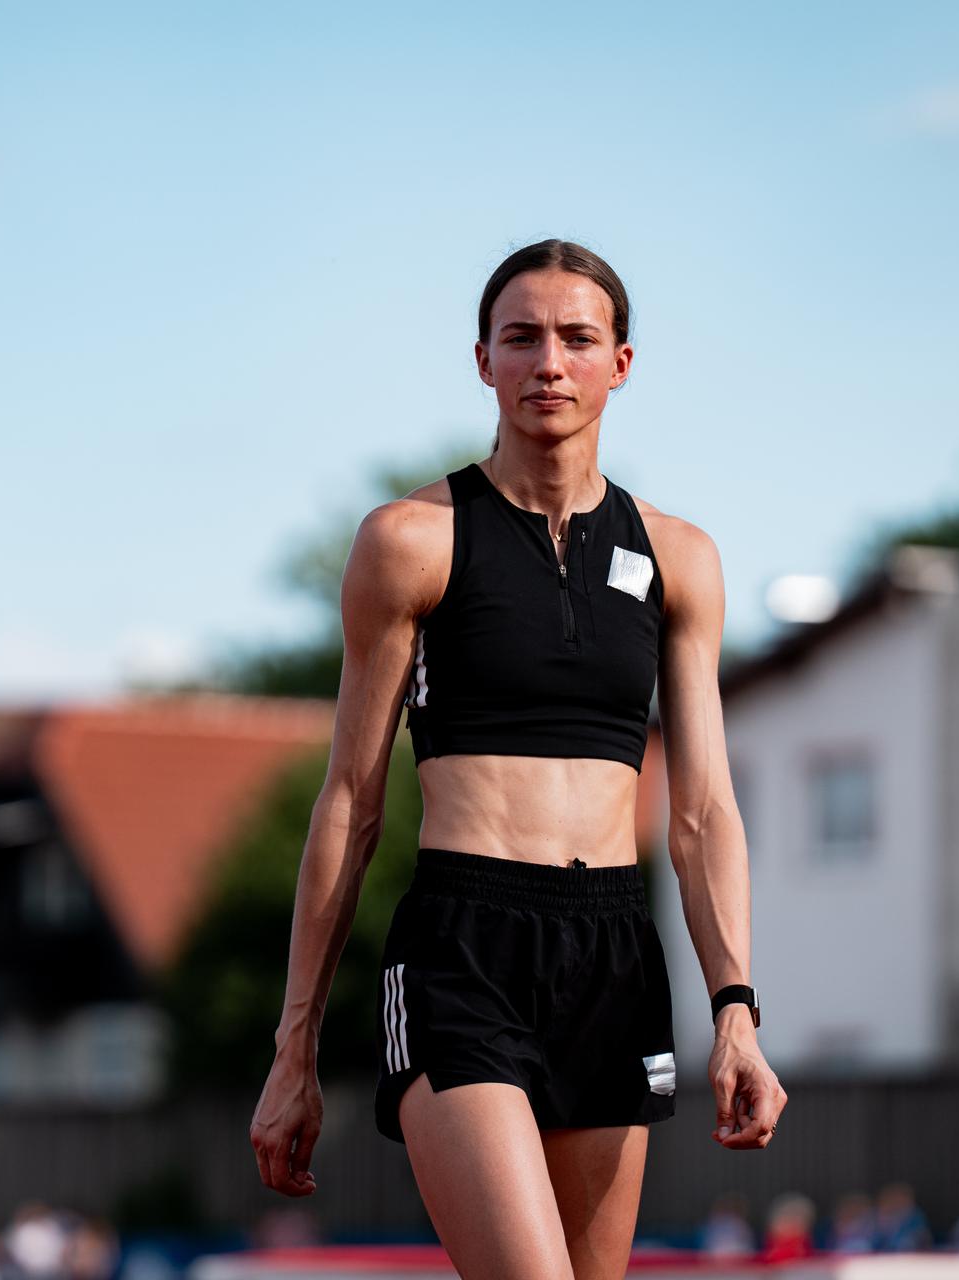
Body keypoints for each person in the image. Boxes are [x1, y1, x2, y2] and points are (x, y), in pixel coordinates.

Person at [248, 238, 788, 1279]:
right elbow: (351, 804)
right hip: (463, 949)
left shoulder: (679, 556)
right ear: (484, 361)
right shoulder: (412, 539)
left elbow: (704, 811)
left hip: (616, 956)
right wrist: (294, 1045)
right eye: (522, 336)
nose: (549, 360)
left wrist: (736, 1011)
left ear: (619, 364)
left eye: (577, 338)